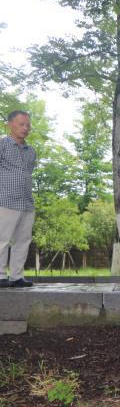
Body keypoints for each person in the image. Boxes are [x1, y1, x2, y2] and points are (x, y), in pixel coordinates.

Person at [0, 111, 36, 288]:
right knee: (2, 239)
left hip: (27, 202)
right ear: (9, 124)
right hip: (5, 200)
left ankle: (16, 276)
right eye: (21, 124)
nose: (25, 128)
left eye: (27, 125)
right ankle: (0, 276)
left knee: (23, 241)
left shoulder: (31, 151)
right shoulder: (2, 144)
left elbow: (27, 173)